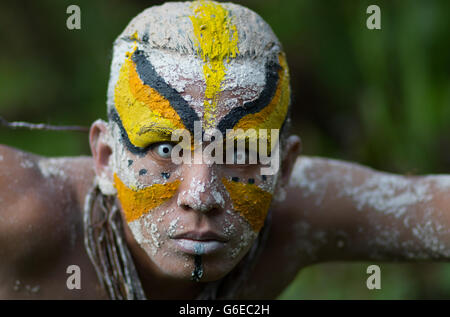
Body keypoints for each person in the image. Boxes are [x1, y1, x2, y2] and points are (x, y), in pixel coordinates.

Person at [0, 1, 449, 300]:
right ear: (104, 158)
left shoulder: (301, 217)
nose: (202, 194)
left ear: (284, 169)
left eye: (240, 151)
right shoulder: (24, 212)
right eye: (163, 147)